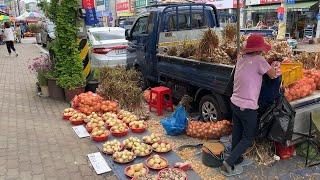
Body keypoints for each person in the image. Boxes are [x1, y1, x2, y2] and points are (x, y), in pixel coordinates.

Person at [220, 34, 276, 176]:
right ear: (259, 49)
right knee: (248, 137)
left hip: (235, 103)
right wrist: (275, 66)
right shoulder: (259, 60)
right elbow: (273, 75)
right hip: (248, 106)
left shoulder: (241, 59)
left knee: (237, 133)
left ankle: (236, 158)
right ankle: (229, 162)